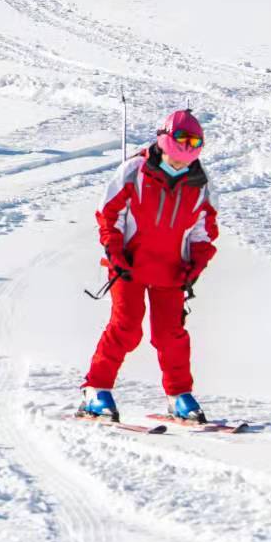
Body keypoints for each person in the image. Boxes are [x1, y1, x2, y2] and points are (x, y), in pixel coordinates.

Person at [79, 110, 219, 424]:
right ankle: (95, 389)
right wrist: (115, 253)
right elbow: (109, 215)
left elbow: (204, 229)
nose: (181, 164)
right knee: (126, 328)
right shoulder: (133, 171)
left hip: (170, 270)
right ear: (163, 144)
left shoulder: (199, 184)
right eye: (175, 157)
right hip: (128, 267)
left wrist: (195, 263)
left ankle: (179, 396)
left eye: (187, 158)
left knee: (171, 334)